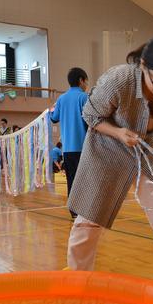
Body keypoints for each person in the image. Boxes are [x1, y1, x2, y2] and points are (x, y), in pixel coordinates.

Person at [67, 33, 153, 294]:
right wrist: (119, 133)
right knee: (88, 222)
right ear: (143, 66)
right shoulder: (118, 80)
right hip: (107, 148)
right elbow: (91, 116)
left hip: (150, 149)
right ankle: (77, 282)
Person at [50, 67, 89, 213]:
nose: (86, 85)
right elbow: (90, 120)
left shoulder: (61, 98)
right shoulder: (83, 97)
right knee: (84, 181)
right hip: (82, 147)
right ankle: (84, 210)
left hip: (67, 149)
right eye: (86, 81)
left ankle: (73, 211)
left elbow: (53, 118)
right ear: (81, 80)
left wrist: (50, 111)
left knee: (71, 180)